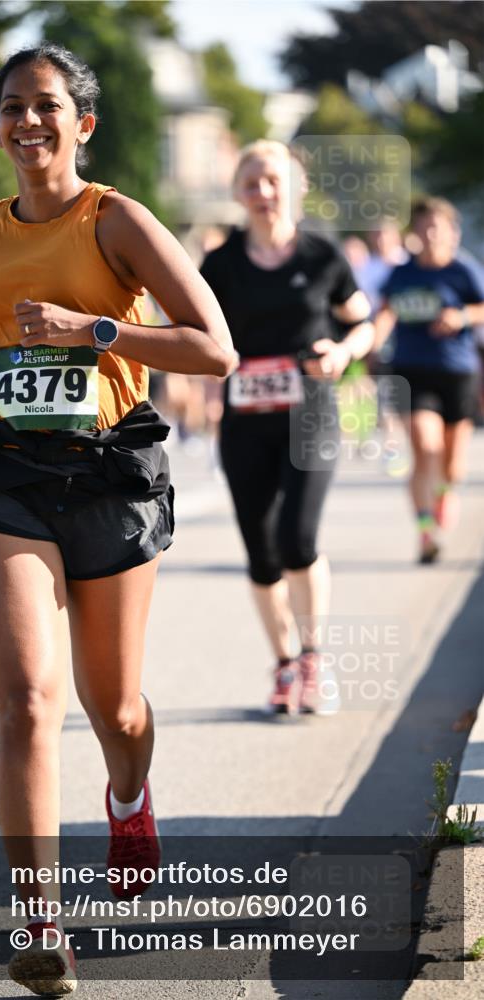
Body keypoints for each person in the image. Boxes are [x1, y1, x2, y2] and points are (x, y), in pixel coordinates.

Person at [0, 44, 235, 997]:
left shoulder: (116, 219)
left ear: (82, 123)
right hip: (4, 471)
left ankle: (128, 801)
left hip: (111, 474)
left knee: (113, 706)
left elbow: (215, 350)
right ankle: (41, 924)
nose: (26, 123)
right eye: (11, 107)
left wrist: (97, 331)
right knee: (26, 700)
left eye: (46, 106)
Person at [200, 140, 374, 717]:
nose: (263, 192)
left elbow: (364, 323)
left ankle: (313, 658)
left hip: (311, 415)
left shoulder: (322, 256)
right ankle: (281, 665)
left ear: (295, 187)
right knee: (262, 551)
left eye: (273, 180)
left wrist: (343, 350)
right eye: (251, 182)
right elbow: (195, 332)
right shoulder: (220, 265)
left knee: (299, 540)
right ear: (237, 193)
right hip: (245, 420)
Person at [374, 197, 484, 563]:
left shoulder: (463, 271)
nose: (430, 234)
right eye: (423, 227)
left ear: (452, 232)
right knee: (424, 445)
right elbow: (386, 312)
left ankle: (445, 490)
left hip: (457, 371)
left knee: (451, 464)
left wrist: (462, 317)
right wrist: (370, 342)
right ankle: (425, 533)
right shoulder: (402, 273)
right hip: (411, 370)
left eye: (437, 226)